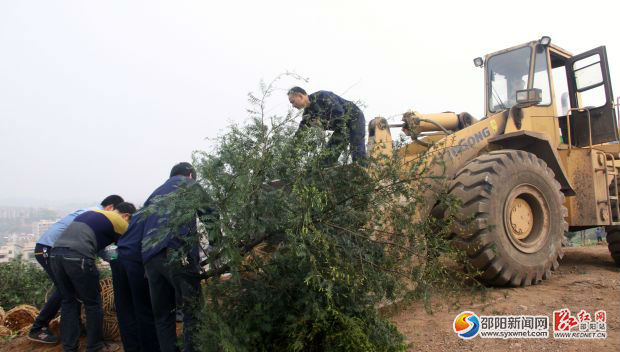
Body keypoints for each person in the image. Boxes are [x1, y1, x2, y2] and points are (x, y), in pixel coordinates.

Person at [28, 195, 124, 344]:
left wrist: (112, 258)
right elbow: (83, 238)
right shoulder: (93, 213)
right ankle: (39, 327)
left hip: (60, 251)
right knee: (65, 291)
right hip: (48, 249)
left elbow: (93, 242)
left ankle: (75, 331)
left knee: (71, 291)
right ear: (110, 207)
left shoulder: (93, 215)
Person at [50, 202, 136, 352]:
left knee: (68, 301)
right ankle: (95, 346)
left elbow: (99, 247)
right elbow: (126, 247)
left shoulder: (91, 214)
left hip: (55, 255)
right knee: (93, 304)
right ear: (126, 216)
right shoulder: (120, 222)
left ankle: (70, 348)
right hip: (79, 258)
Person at [141, 162, 204, 352]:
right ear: (191, 175)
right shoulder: (189, 184)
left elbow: (140, 224)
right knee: (193, 309)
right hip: (177, 252)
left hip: (151, 259)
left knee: (163, 316)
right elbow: (210, 212)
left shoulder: (154, 194)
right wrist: (217, 245)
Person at [110, 209, 161, 352]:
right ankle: (151, 348)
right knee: (143, 308)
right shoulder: (162, 213)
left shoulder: (142, 213)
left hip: (118, 258)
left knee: (125, 308)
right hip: (135, 260)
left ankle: (132, 347)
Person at [288, 87, 367, 165]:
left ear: (300, 96)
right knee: (328, 156)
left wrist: (322, 123)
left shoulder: (322, 96)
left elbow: (339, 114)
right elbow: (301, 132)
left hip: (354, 117)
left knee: (356, 146)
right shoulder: (308, 114)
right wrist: (290, 151)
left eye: (293, 101)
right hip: (341, 127)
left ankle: (362, 170)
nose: (293, 105)